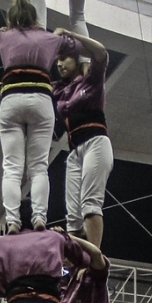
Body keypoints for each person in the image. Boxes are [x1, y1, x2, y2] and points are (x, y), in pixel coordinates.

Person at [0, 0, 72, 232]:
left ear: (10, 18)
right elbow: (83, 50)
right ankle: (39, 218)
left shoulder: (3, 35)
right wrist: (63, 35)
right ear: (35, 18)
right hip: (40, 100)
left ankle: (13, 221)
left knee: (12, 167)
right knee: (39, 167)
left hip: (11, 99)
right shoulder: (49, 38)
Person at [53, 31, 113, 247]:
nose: (59, 64)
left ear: (77, 59)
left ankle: (94, 255)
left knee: (90, 204)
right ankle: (77, 259)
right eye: (57, 60)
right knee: (73, 216)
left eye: (64, 58)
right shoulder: (60, 89)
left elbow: (101, 52)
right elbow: (32, 87)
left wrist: (69, 36)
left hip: (95, 142)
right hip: (74, 151)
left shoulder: (92, 80)